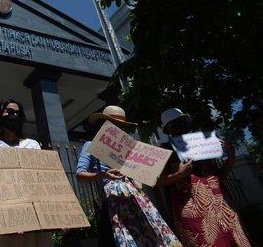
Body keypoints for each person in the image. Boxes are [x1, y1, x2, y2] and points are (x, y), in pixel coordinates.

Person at [76, 105, 181, 247]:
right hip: (113, 200)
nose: (119, 129)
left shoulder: (130, 148)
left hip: (135, 197)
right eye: (115, 124)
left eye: (121, 126)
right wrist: (103, 175)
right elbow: (80, 175)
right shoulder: (91, 145)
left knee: (150, 234)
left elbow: (140, 172)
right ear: (104, 125)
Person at [157, 108, 252, 247]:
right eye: (176, 123)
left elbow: (218, 178)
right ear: (168, 128)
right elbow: (159, 181)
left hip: (221, 205)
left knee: (235, 241)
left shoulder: (204, 144)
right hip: (193, 211)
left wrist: (231, 157)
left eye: (184, 121)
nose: (182, 125)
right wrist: (179, 175)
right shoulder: (164, 149)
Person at [0, 98, 52, 247]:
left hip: (34, 217)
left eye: (19, 113)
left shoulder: (32, 144)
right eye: (10, 112)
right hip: (5, 218)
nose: (15, 116)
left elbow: (44, 180)